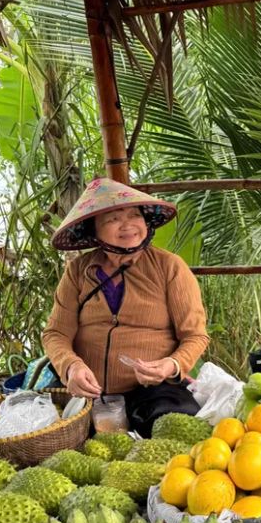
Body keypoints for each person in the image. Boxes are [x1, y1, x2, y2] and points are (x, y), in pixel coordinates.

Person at [43, 178, 210, 437]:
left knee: (178, 431)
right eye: (112, 219)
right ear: (94, 231)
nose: (128, 225)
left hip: (153, 392)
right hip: (87, 393)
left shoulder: (169, 267)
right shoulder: (78, 272)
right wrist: (71, 367)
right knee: (49, 436)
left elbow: (195, 336)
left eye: (135, 215)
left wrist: (170, 365)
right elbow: (56, 334)